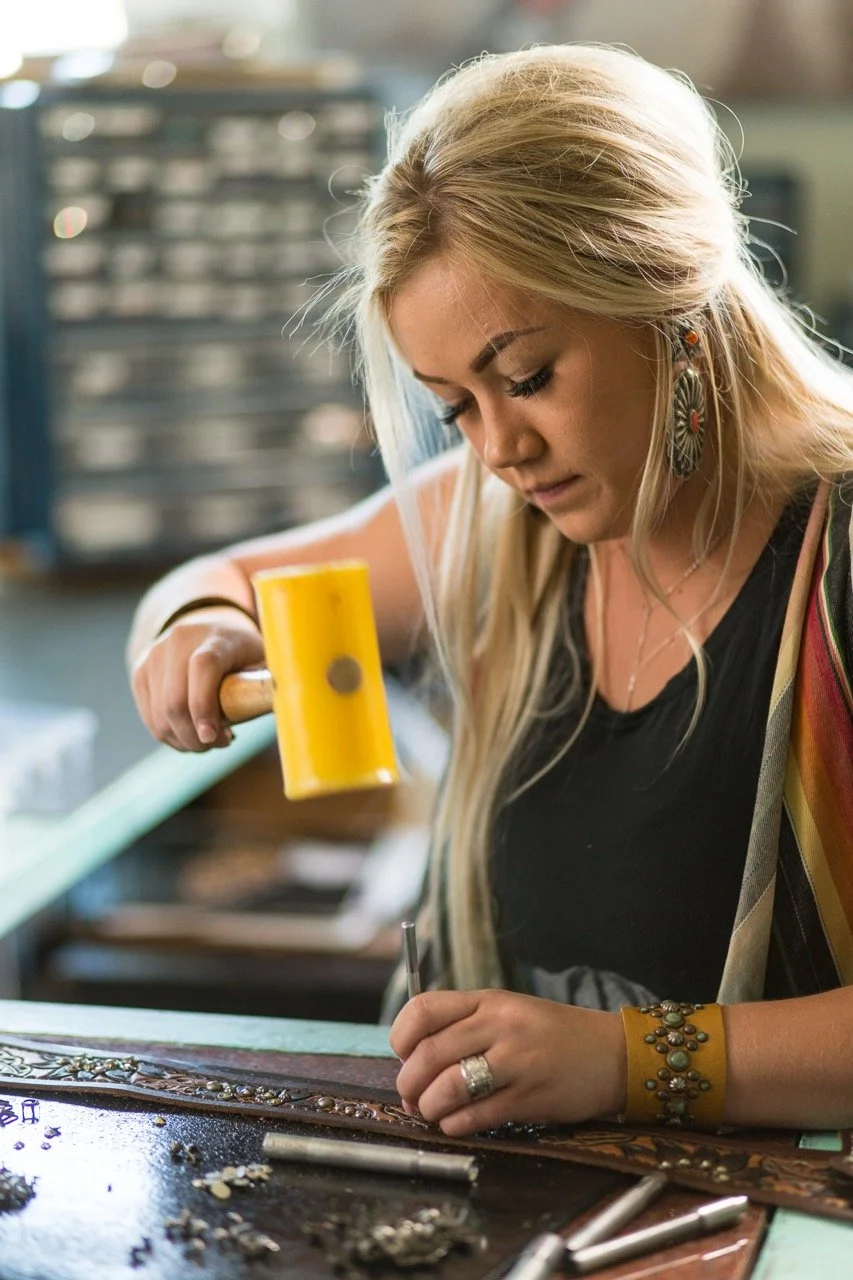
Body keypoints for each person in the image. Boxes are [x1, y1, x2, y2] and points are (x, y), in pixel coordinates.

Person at [127, 44, 853, 1139]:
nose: (501, 448)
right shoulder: (495, 523)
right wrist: (200, 624)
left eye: (527, 376)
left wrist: (622, 1061)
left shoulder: (835, 556)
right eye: (455, 405)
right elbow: (212, 581)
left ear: (669, 298)